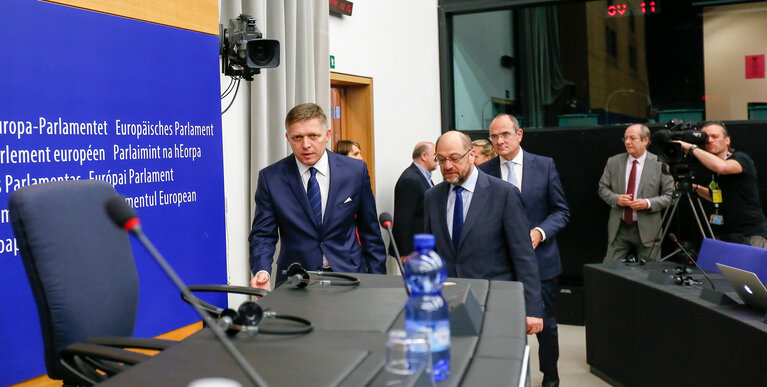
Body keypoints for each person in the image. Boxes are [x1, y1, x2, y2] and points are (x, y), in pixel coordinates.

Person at [248, 103, 387, 289]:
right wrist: (261, 271)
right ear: (288, 138)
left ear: (327, 135)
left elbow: (370, 231)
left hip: (349, 276)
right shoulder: (271, 178)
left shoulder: (355, 171)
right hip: (295, 280)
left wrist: (378, 283)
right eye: (297, 137)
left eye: (313, 136)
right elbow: (262, 234)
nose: (306, 145)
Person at [477, 114, 569, 387]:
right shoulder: (485, 171)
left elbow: (561, 211)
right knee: (503, 325)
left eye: (505, 134)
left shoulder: (544, 166)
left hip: (541, 261)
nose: (499, 141)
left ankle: (550, 376)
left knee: (546, 325)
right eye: (494, 136)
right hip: (500, 264)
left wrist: (539, 232)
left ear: (520, 134)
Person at [423, 130, 544, 337]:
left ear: (471, 155)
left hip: (494, 303)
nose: (447, 166)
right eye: (441, 160)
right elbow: (431, 252)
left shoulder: (504, 194)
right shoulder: (432, 197)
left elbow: (523, 255)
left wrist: (532, 308)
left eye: (454, 158)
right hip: (448, 304)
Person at [675, 121, 767, 247]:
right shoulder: (712, 167)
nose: (710, 140)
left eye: (715, 136)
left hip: (750, 233)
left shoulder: (740, 158)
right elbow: (716, 197)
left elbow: (722, 167)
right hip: (725, 233)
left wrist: (691, 147)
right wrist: (695, 188)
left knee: (751, 267)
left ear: (727, 140)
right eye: (706, 138)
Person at [598, 124, 674, 261]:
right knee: (609, 271)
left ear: (645, 141)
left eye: (632, 138)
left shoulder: (660, 164)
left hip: (648, 229)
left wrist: (648, 203)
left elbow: (670, 196)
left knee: (650, 275)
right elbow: (602, 189)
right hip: (619, 229)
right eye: (625, 138)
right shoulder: (613, 162)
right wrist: (616, 199)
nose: (627, 142)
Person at [393, 142, 437, 256]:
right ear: (424, 156)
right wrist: (406, 253)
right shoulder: (410, 179)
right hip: (413, 251)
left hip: (424, 247)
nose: (438, 158)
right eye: (435, 154)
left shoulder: (424, 177)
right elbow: (403, 220)